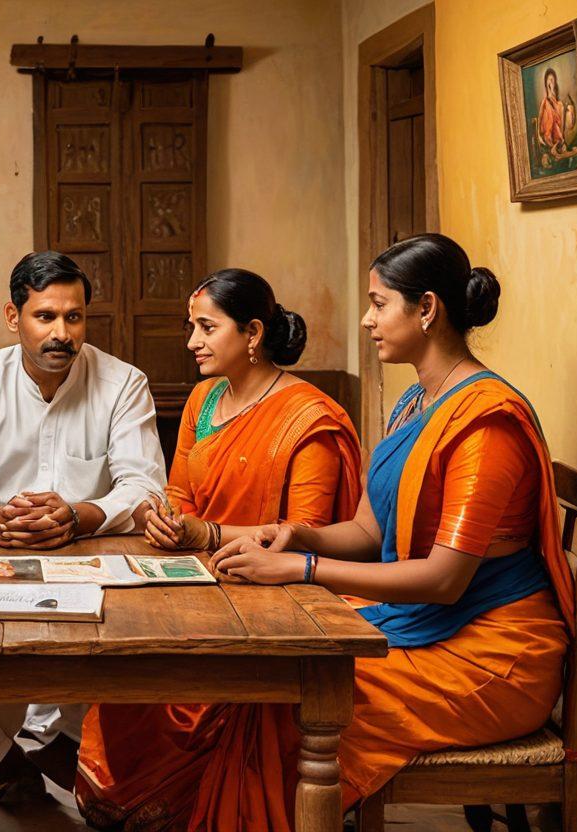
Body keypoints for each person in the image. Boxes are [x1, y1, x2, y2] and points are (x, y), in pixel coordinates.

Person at [93, 234, 575, 831]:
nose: (367, 320)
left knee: (289, 703)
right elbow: (368, 531)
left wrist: (303, 570)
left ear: (426, 309)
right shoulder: (415, 403)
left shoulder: (485, 424)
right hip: (428, 629)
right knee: (272, 688)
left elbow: (447, 580)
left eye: (379, 304)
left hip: (491, 655)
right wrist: (295, 537)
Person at [76, 268, 362, 829]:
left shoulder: (308, 419)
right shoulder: (205, 399)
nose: (191, 342)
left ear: (252, 333)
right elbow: (180, 492)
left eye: (207, 327)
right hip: (193, 576)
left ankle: (208, 803)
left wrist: (205, 534)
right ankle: (151, 804)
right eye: (192, 327)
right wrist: (163, 518)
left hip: (275, 594)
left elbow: (300, 530)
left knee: (188, 685)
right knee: (129, 674)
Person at [0, 250, 165, 804]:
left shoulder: (123, 384)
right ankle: (7, 765)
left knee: (129, 649)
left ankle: (62, 744)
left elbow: (145, 489)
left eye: (73, 318)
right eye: (45, 316)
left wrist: (79, 514)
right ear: (13, 317)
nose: (61, 333)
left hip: (93, 556)